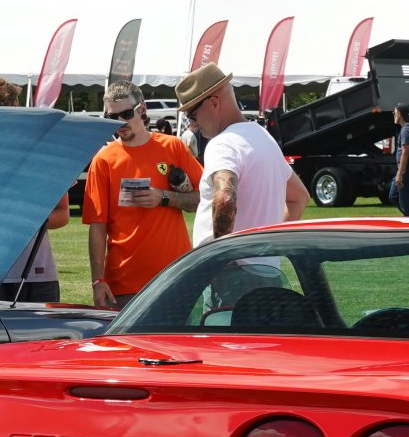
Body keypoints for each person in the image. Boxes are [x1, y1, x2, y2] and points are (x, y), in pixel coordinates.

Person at [84, 81, 203, 309]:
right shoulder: (103, 160)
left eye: (126, 114)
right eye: (112, 117)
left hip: (176, 276)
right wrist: (97, 280)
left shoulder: (173, 147)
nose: (119, 123)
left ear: (142, 109)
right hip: (124, 284)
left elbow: (205, 198)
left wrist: (164, 197)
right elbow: (97, 226)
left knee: (176, 345)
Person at [176, 62, 309, 245]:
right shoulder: (264, 137)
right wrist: (267, 247)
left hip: (228, 270)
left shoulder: (222, 143)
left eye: (192, 115)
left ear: (214, 103)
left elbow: (225, 198)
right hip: (266, 267)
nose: (193, 123)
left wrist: (220, 257)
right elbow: (299, 198)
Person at [0, 73, 69, 303]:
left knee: (44, 340)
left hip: (37, 274)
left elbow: (63, 214)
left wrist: (26, 221)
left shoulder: (41, 153)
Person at [390, 103, 409, 217]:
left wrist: (400, 174)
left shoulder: (406, 130)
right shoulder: (406, 128)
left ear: (399, 114)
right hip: (405, 170)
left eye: (394, 113)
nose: (393, 115)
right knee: (393, 196)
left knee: (404, 203)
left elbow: (405, 152)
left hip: (406, 170)